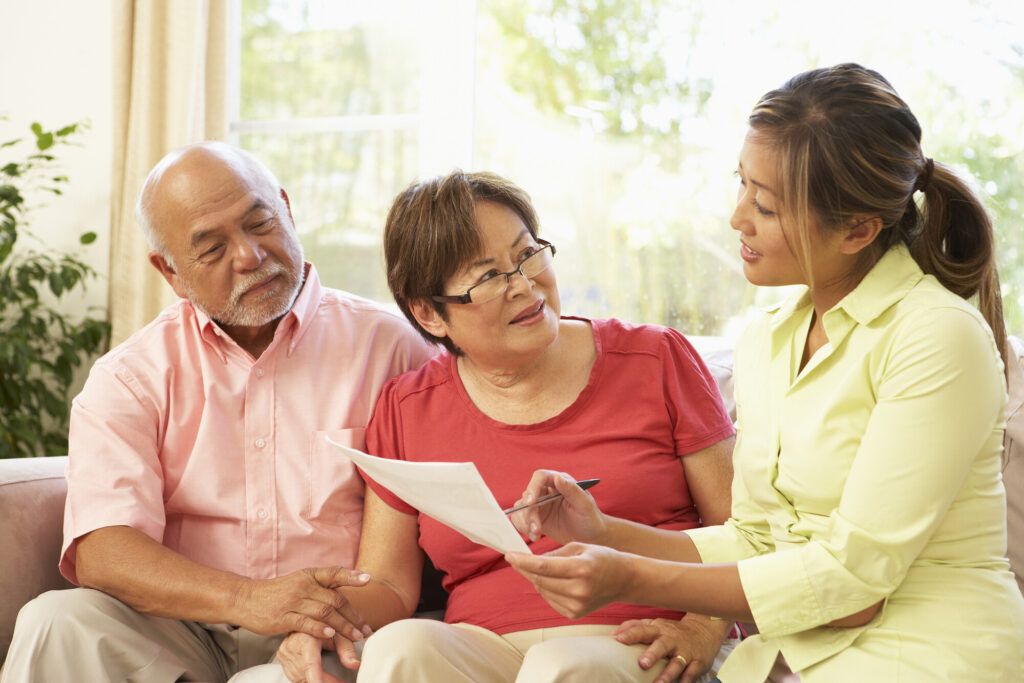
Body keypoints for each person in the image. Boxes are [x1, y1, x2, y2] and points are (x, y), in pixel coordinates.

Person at [505, 63, 1024, 682]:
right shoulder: (770, 338)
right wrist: (609, 532)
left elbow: (856, 585)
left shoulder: (937, 337)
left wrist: (629, 575)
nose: (738, 219)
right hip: (787, 660)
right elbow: (755, 538)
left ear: (858, 229)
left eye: (767, 206)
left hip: (927, 658)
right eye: (742, 185)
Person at [266, 170, 739, 683]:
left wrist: (703, 627)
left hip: (639, 639)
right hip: (485, 643)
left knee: (560, 667)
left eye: (527, 255)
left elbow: (745, 535)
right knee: (401, 646)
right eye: (489, 277)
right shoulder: (408, 407)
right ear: (429, 314)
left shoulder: (656, 357)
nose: (524, 285)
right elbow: (390, 587)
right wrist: (322, 620)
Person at [0, 142, 437, 682]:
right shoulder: (129, 376)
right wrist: (247, 600)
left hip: (336, 628)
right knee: (54, 620)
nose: (250, 255)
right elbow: (103, 551)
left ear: (287, 209)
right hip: (182, 628)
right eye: (211, 249)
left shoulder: (393, 348)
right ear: (171, 272)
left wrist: (309, 622)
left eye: (260, 223)